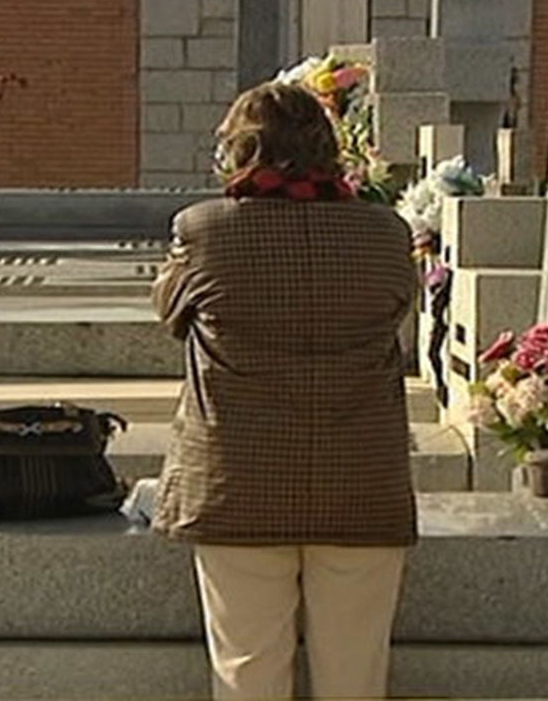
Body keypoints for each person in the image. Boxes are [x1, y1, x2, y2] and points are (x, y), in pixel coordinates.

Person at [150, 82, 418, 700]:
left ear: (240, 151)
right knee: (355, 673)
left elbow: (171, 313)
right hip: (359, 477)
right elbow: (398, 308)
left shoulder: (203, 229)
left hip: (238, 477)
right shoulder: (385, 232)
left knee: (246, 668)